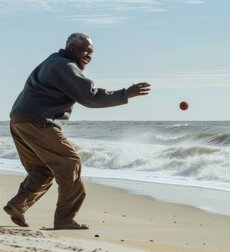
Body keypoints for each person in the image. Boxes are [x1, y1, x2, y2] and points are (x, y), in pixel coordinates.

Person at [3, 32, 151, 230]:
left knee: (42, 170)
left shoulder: (54, 62)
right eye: (86, 49)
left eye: (92, 51)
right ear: (72, 48)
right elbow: (91, 98)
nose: (89, 54)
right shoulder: (65, 66)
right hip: (38, 122)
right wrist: (125, 94)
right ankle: (65, 219)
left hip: (19, 121)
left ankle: (17, 206)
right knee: (71, 164)